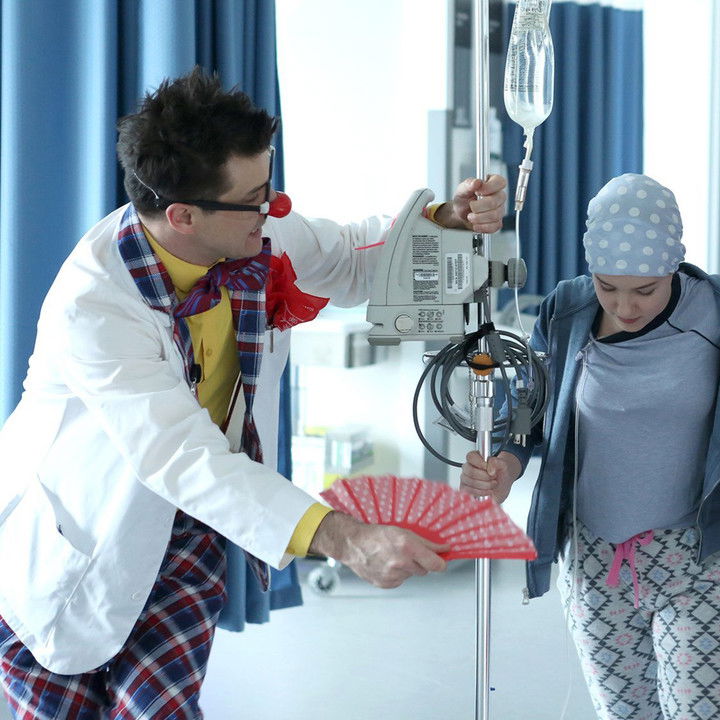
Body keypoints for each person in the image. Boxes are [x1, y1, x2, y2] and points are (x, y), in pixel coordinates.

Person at [0, 68, 507, 719]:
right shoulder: (94, 305)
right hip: (74, 548)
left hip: (188, 537)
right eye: (255, 198)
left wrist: (445, 220)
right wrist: (347, 538)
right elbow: (180, 455)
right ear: (183, 215)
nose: (275, 209)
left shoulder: (254, 232)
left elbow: (351, 255)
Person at [460, 173, 720, 720]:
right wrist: (505, 467)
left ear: (673, 267)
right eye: (608, 287)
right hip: (594, 561)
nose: (625, 306)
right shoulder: (566, 312)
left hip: (696, 560)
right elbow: (527, 414)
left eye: (645, 290)